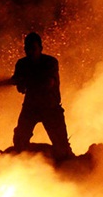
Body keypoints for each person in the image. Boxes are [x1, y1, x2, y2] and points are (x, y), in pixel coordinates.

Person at [9, 32, 74, 161]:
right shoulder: (21, 64)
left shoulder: (50, 62)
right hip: (31, 107)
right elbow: (21, 89)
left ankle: (70, 167)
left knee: (62, 147)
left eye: (33, 48)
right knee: (20, 141)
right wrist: (19, 82)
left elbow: (48, 83)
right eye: (28, 49)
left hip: (50, 108)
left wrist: (27, 80)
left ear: (40, 48)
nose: (30, 52)